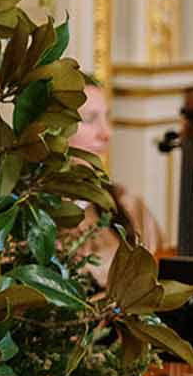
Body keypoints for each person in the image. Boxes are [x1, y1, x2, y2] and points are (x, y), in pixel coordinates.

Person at [66, 83, 162, 285]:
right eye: (89, 119)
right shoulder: (24, 216)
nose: (106, 132)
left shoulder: (127, 203)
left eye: (108, 117)